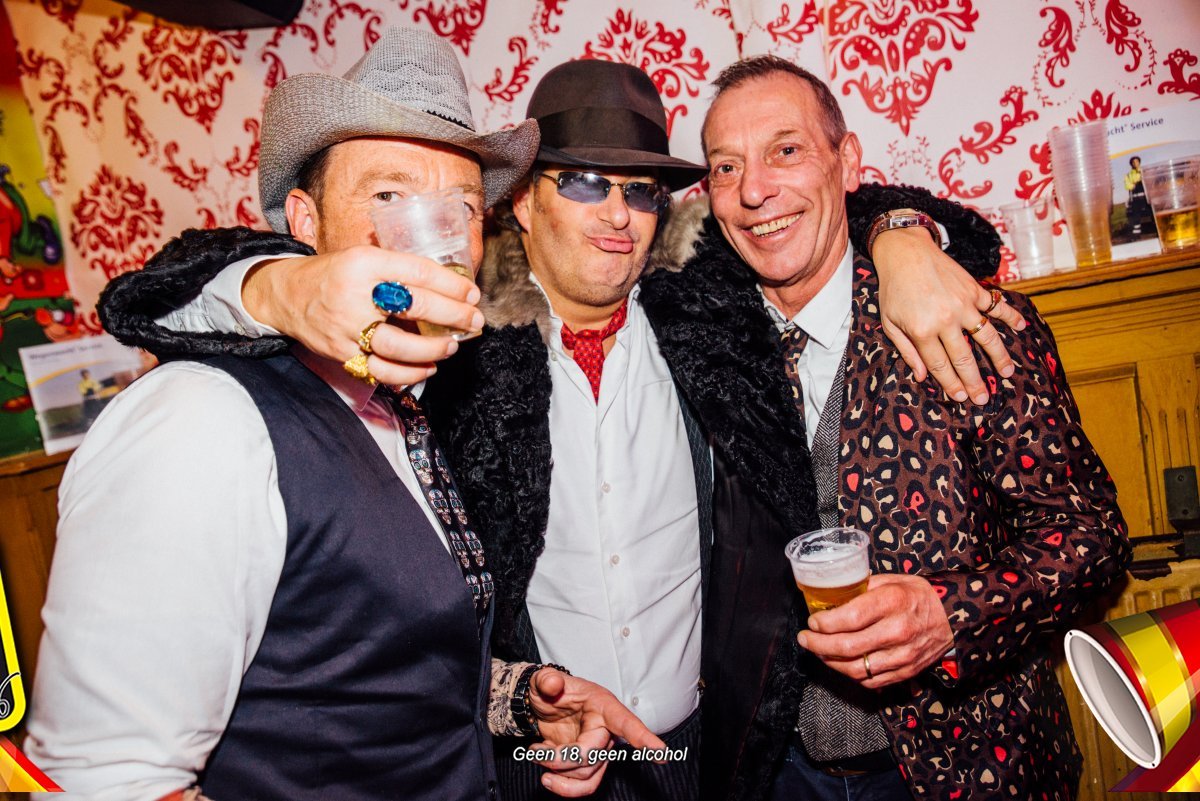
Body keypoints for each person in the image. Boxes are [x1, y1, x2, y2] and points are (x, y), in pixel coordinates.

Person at [96, 55, 1020, 800]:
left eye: (642, 191)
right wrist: (285, 284)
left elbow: (810, 210)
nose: (618, 215)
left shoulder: (704, 316)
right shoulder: (451, 337)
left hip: (699, 750)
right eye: (582, 183)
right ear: (523, 203)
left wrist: (903, 237)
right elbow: (154, 292)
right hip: (543, 757)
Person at [26, 28, 669, 801]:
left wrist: (517, 699)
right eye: (388, 195)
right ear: (304, 220)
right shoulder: (200, 421)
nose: (429, 238)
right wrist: (266, 285)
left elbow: (368, 668)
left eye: (460, 206)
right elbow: (104, 780)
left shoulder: (410, 403)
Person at [632, 56, 1133, 801]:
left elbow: (1091, 536)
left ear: (848, 162)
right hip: (779, 773)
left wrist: (951, 615)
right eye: (727, 167)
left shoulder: (962, 322)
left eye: (786, 150)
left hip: (968, 762)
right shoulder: (703, 340)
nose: (755, 191)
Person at [1124, 155, 1152, 236]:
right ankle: (1136, 234)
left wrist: (1137, 181)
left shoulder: (1144, 171)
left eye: (1136, 161)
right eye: (1133, 162)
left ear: (1139, 162)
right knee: (1136, 215)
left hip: (1145, 196)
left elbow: (1148, 181)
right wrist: (1136, 183)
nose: (1135, 163)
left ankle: (1156, 228)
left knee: (1151, 211)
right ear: (1131, 164)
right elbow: (1128, 186)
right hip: (1135, 198)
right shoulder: (1128, 175)